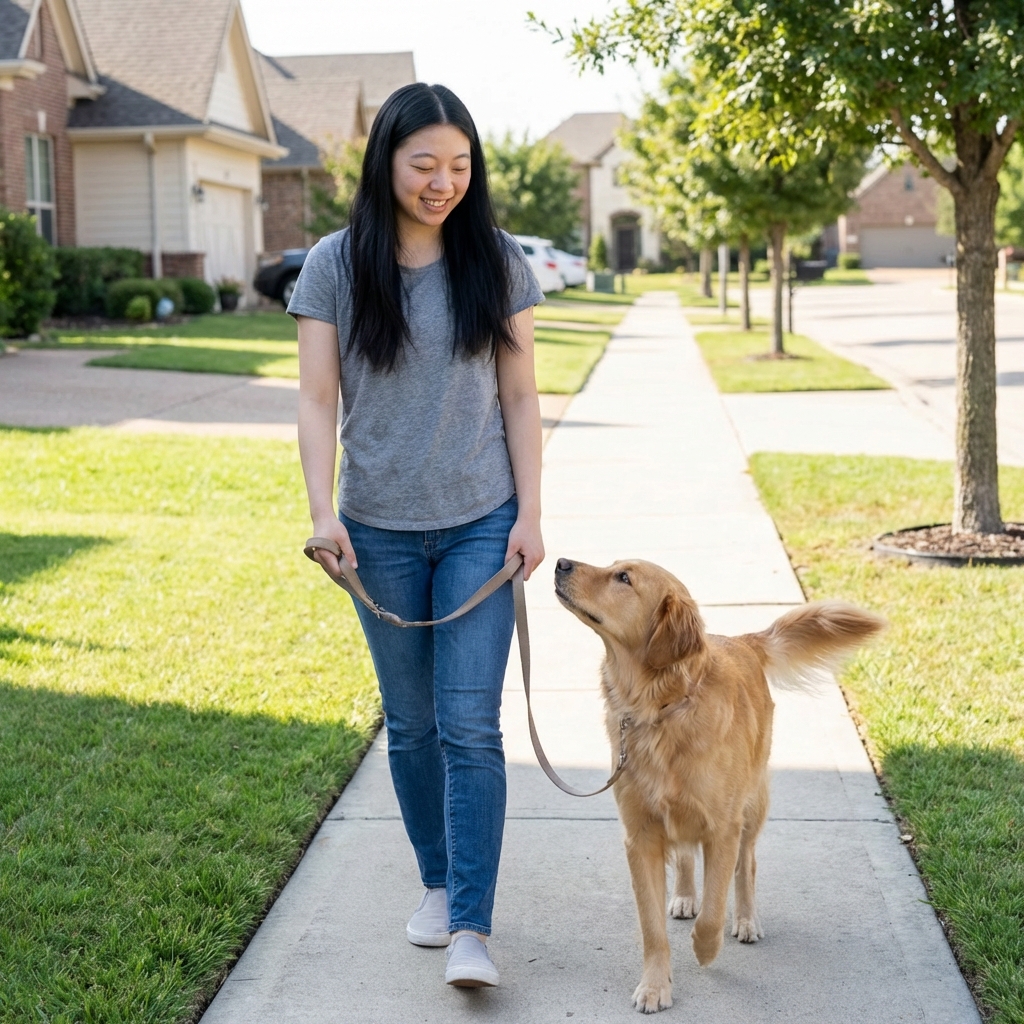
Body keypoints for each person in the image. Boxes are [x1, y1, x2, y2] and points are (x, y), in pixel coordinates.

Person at [288, 82, 545, 989]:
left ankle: (472, 926)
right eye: (425, 164)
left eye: (460, 165)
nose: (444, 182)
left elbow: (520, 396)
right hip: (379, 531)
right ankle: (436, 883)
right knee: (412, 725)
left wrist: (530, 515)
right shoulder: (333, 264)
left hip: (481, 522)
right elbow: (320, 398)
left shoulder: (497, 259)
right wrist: (324, 514)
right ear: (386, 163)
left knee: (471, 724)